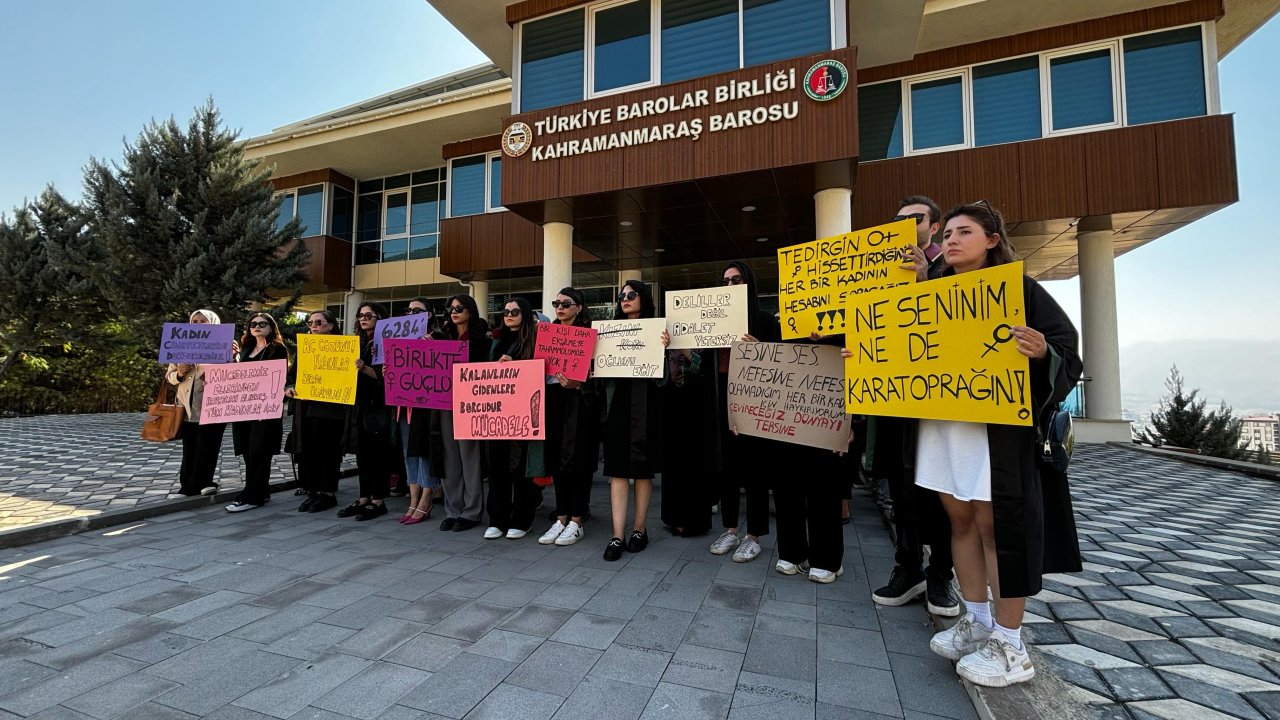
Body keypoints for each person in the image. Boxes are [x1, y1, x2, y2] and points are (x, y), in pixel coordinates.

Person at [848, 201, 1082, 687]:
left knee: (996, 526)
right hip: (940, 426)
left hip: (992, 433)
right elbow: (891, 347)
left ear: (992, 239)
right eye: (949, 233)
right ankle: (976, 621)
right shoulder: (928, 291)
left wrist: (1042, 352)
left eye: (964, 231)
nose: (952, 240)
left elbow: (1065, 348)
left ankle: (1011, 644)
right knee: (958, 519)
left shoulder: (1018, 289)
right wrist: (864, 354)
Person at [869, 194, 961, 616]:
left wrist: (925, 281)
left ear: (935, 225)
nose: (907, 224)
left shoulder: (954, 267)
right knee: (903, 489)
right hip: (895, 398)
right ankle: (907, 568)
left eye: (916, 218)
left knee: (942, 488)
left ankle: (941, 574)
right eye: (899, 219)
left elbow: (957, 326)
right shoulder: (881, 271)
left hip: (942, 401)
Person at [707, 261, 780, 563]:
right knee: (727, 468)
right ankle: (730, 529)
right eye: (724, 282)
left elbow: (781, 363)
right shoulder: (714, 321)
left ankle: (754, 537)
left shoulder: (763, 320)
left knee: (755, 470)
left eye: (736, 280)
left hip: (755, 402)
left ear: (748, 284)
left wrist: (758, 349)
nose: (730, 286)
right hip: (722, 397)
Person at [601, 280, 669, 561]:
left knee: (643, 470)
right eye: (621, 296)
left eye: (631, 295)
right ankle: (617, 535)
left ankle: (639, 530)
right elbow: (601, 371)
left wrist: (665, 349)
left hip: (647, 401)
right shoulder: (610, 331)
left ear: (643, 298)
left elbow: (666, 379)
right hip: (619, 402)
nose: (625, 299)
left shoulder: (658, 329)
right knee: (617, 469)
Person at [537, 287, 600, 547]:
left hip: (581, 403)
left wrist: (580, 384)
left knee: (579, 461)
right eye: (556, 303)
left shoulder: (591, 337)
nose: (560, 307)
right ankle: (561, 517)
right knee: (557, 459)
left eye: (566, 303)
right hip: (555, 400)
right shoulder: (548, 335)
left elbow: (599, 376)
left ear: (579, 308)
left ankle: (576, 520)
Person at [482, 297, 541, 539]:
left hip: (525, 413)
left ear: (525, 314)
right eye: (505, 311)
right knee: (497, 466)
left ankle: (521, 519)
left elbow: (542, 368)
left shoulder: (535, 338)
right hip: (498, 412)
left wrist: (516, 364)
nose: (509, 314)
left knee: (520, 466)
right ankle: (497, 518)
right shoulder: (496, 341)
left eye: (515, 311)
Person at [336, 302, 394, 521]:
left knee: (377, 454)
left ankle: (379, 500)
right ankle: (363, 498)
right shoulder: (356, 343)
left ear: (380, 317)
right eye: (361, 315)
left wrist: (364, 368)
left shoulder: (387, 343)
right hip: (358, 405)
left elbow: (385, 377)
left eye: (369, 315)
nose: (364, 318)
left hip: (378, 406)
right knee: (362, 454)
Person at [225, 312, 289, 513]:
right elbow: (238, 376)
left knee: (259, 451)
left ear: (271, 328)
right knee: (247, 449)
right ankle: (261, 489)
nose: (257, 326)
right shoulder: (246, 349)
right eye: (253, 323)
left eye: (263, 323)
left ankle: (252, 496)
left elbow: (278, 377)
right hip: (244, 408)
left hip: (265, 410)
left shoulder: (277, 349)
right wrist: (232, 358)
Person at [438, 294, 490, 532]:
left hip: (471, 405)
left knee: (470, 458)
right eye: (451, 308)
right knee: (449, 457)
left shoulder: (482, 341)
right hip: (444, 403)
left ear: (470, 310)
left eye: (459, 308)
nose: (454, 311)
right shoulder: (441, 337)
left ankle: (472, 511)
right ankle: (452, 509)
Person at [287, 310, 348, 514]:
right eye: (310, 322)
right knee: (310, 449)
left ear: (330, 325)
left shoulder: (343, 347)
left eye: (319, 322)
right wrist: (290, 386)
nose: (313, 326)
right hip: (306, 407)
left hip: (331, 408)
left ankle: (328, 493)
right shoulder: (305, 348)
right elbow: (292, 375)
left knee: (328, 451)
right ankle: (314, 490)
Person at [166, 309, 228, 497]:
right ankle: (187, 485)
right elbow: (169, 377)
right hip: (186, 406)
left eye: (203, 321)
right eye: (195, 321)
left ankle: (205, 482)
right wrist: (179, 373)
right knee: (190, 446)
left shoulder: (223, 345)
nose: (198, 324)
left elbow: (233, 374)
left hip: (212, 404)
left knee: (208, 444)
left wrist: (230, 358)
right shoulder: (180, 345)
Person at [395, 298, 440, 525]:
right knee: (408, 452)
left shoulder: (437, 338)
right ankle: (413, 498)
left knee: (423, 452)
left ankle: (426, 497)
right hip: (403, 405)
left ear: (429, 314)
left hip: (425, 406)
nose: (411, 313)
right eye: (409, 310)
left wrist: (431, 347)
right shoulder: (398, 338)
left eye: (418, 310)